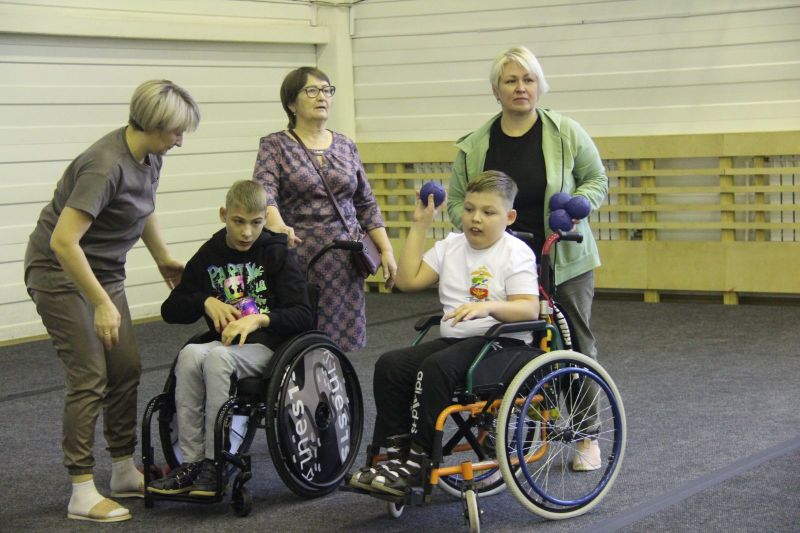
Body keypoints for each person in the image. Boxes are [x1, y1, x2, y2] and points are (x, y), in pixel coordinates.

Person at [23, 80, 200, 522]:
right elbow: (64, 243)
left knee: (125, 367)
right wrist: (101, 303)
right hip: (58, 272)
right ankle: (81, 490)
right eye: (176, 131)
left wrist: (162, 258)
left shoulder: (151, 156)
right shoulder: (105, 166)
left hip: (104, 273)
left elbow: (144, 207)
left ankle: (123, 470)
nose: (180, 141)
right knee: (89, 375)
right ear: (154, 125)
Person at [446, 46, 608, 471]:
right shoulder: (476, 145)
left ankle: (586, 435)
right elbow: (457, 201)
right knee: (507, 343)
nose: (521, 88)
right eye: (511, 81)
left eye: (529, 79)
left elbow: (596, 179)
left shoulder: (566, 132)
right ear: (496, 90)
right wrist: (478, 224)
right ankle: (516, 429)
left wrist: (579, 205)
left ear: (539, 85)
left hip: (562, 258)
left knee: (573, 345)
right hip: (499, 264)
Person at [348, 171, 540, 496]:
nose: (475, 218)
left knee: (436, 367)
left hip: (503, 344)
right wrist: (420, 224)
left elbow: (529, 309)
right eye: (469, 209)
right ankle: (395, 457)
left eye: (488, 212)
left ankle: (419, 461)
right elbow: (407, 281)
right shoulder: (451, 245)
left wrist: (488, 307)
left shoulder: (515, 252)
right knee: (391, 364)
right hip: (458, 343)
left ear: (509, 217)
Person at [147, 180, 314, 498]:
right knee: (189, 354)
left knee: (216, 357)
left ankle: (217, 461)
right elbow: (171, 310)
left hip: (270, 348)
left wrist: (260, 318)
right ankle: (190, 463)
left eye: (256, 223)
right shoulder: (210, 254)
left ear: (265, 219)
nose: (247, 232)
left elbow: (304, 315)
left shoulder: (275, 252)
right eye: (238, 222)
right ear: (224, 215)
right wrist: (204, 301)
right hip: (227, 345)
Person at [252, 66, 396, 351]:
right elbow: (264, 191)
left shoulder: (345, 145)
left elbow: (366, 203)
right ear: (291, 103)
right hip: (300, 256)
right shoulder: (275, 145)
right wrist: (276, 224)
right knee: (302, 337)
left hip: (345, 259)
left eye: (327, 90)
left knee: (341, 343)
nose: (322, 97)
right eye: (312, 90)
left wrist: (386, 250)